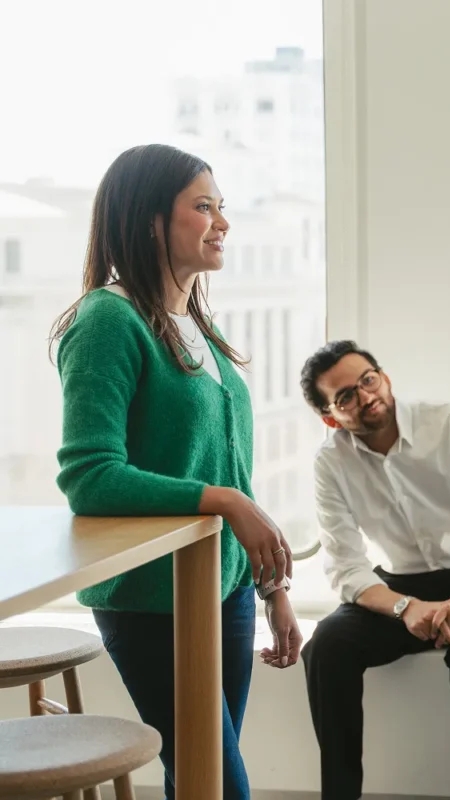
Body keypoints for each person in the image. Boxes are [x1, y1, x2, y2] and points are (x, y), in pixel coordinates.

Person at [50, 143, 303, 800]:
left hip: (223, 589)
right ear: (151, 220)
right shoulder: (108, 319)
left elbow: (234, 470)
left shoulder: (197, 324)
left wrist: (271, 589)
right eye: (203, 207)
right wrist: (220, 501)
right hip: (151, 600)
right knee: (221, 785)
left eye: (222, 208)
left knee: (197, 783)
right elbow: (92, 477)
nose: (222, 222)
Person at [297, 340, 450, 800]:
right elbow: (346, 566)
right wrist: (406, 608)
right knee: (326, 645)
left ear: (384, 377)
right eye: (344, 396)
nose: (364, 396)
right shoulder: (331, 463)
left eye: (368, 379)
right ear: (330, 418)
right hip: (401, 589)